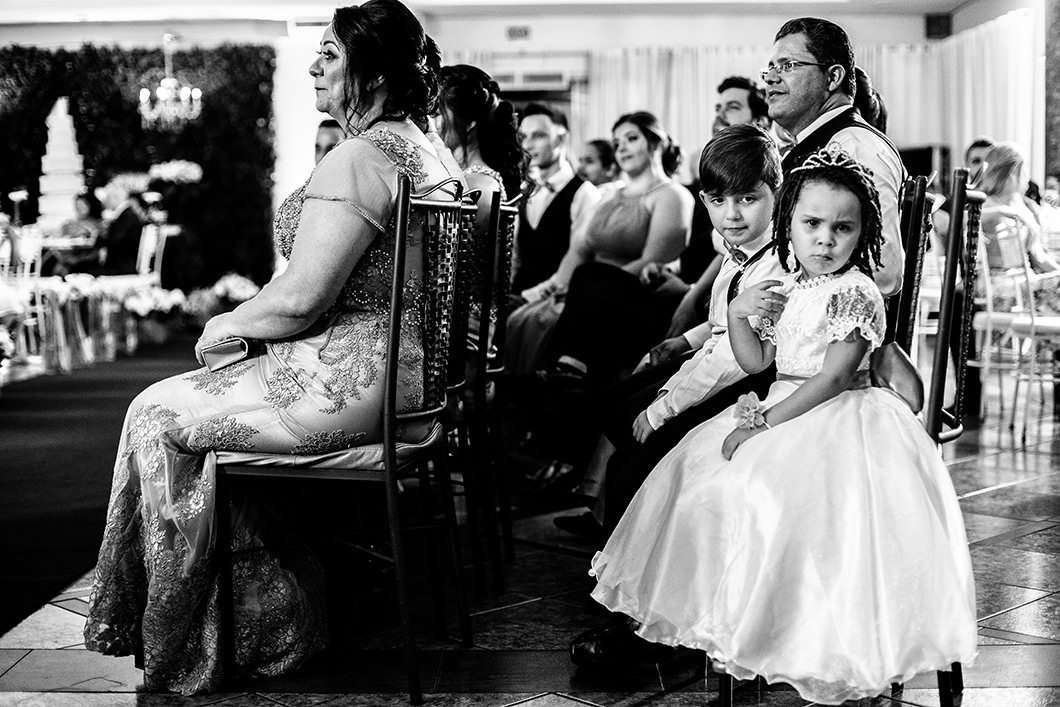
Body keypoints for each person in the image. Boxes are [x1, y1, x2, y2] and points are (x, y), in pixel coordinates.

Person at [83, 0, 458, 694]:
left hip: (346, 382)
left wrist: (226, 322)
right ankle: (267, 613)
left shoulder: (361, 157)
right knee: (184, 405)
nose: (316, 65)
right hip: (403, 374)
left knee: (155, 413)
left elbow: (301, 298)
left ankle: (208, 635)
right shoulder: (427, 151)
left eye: (332, 54)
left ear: (371, 72)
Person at [584, 145, 977, 703]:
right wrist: (741, 316)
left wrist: (764, 423)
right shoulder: (792, 286)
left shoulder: (856, 290)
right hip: (787, 400)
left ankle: (797, 631)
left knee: (768, 495)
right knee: (698, 488)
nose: (825, 239)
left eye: (843, 228)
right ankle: (735, 625)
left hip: (836, 416)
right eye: (811, 224)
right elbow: (757, 363)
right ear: (788, 222)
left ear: (863, 233)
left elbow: (837, 377)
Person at [764, 17, 905, 298]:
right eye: (770, 68)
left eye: (788, 66)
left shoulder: (854, 149)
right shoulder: (815, 145)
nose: (771, 78)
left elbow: (883, 271)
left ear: (832, 78)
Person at [511, 103, 600, 294]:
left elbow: (582, 258)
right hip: (516, 297)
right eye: (523, 137)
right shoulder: (522, 190)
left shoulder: (585, 194)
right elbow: (515, 256)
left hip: (559, 300)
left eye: (539, 136)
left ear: (561, 139)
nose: (527, 145)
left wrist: (531, 298)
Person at [979, 142, 1060, 311]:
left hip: (1024, 282)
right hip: (999, 286)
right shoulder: (987, 203)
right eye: (1024, 170)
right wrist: (1001, 211)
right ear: (1013, 172)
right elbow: (967, 220)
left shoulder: (1022, 207)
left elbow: (1039, 256)